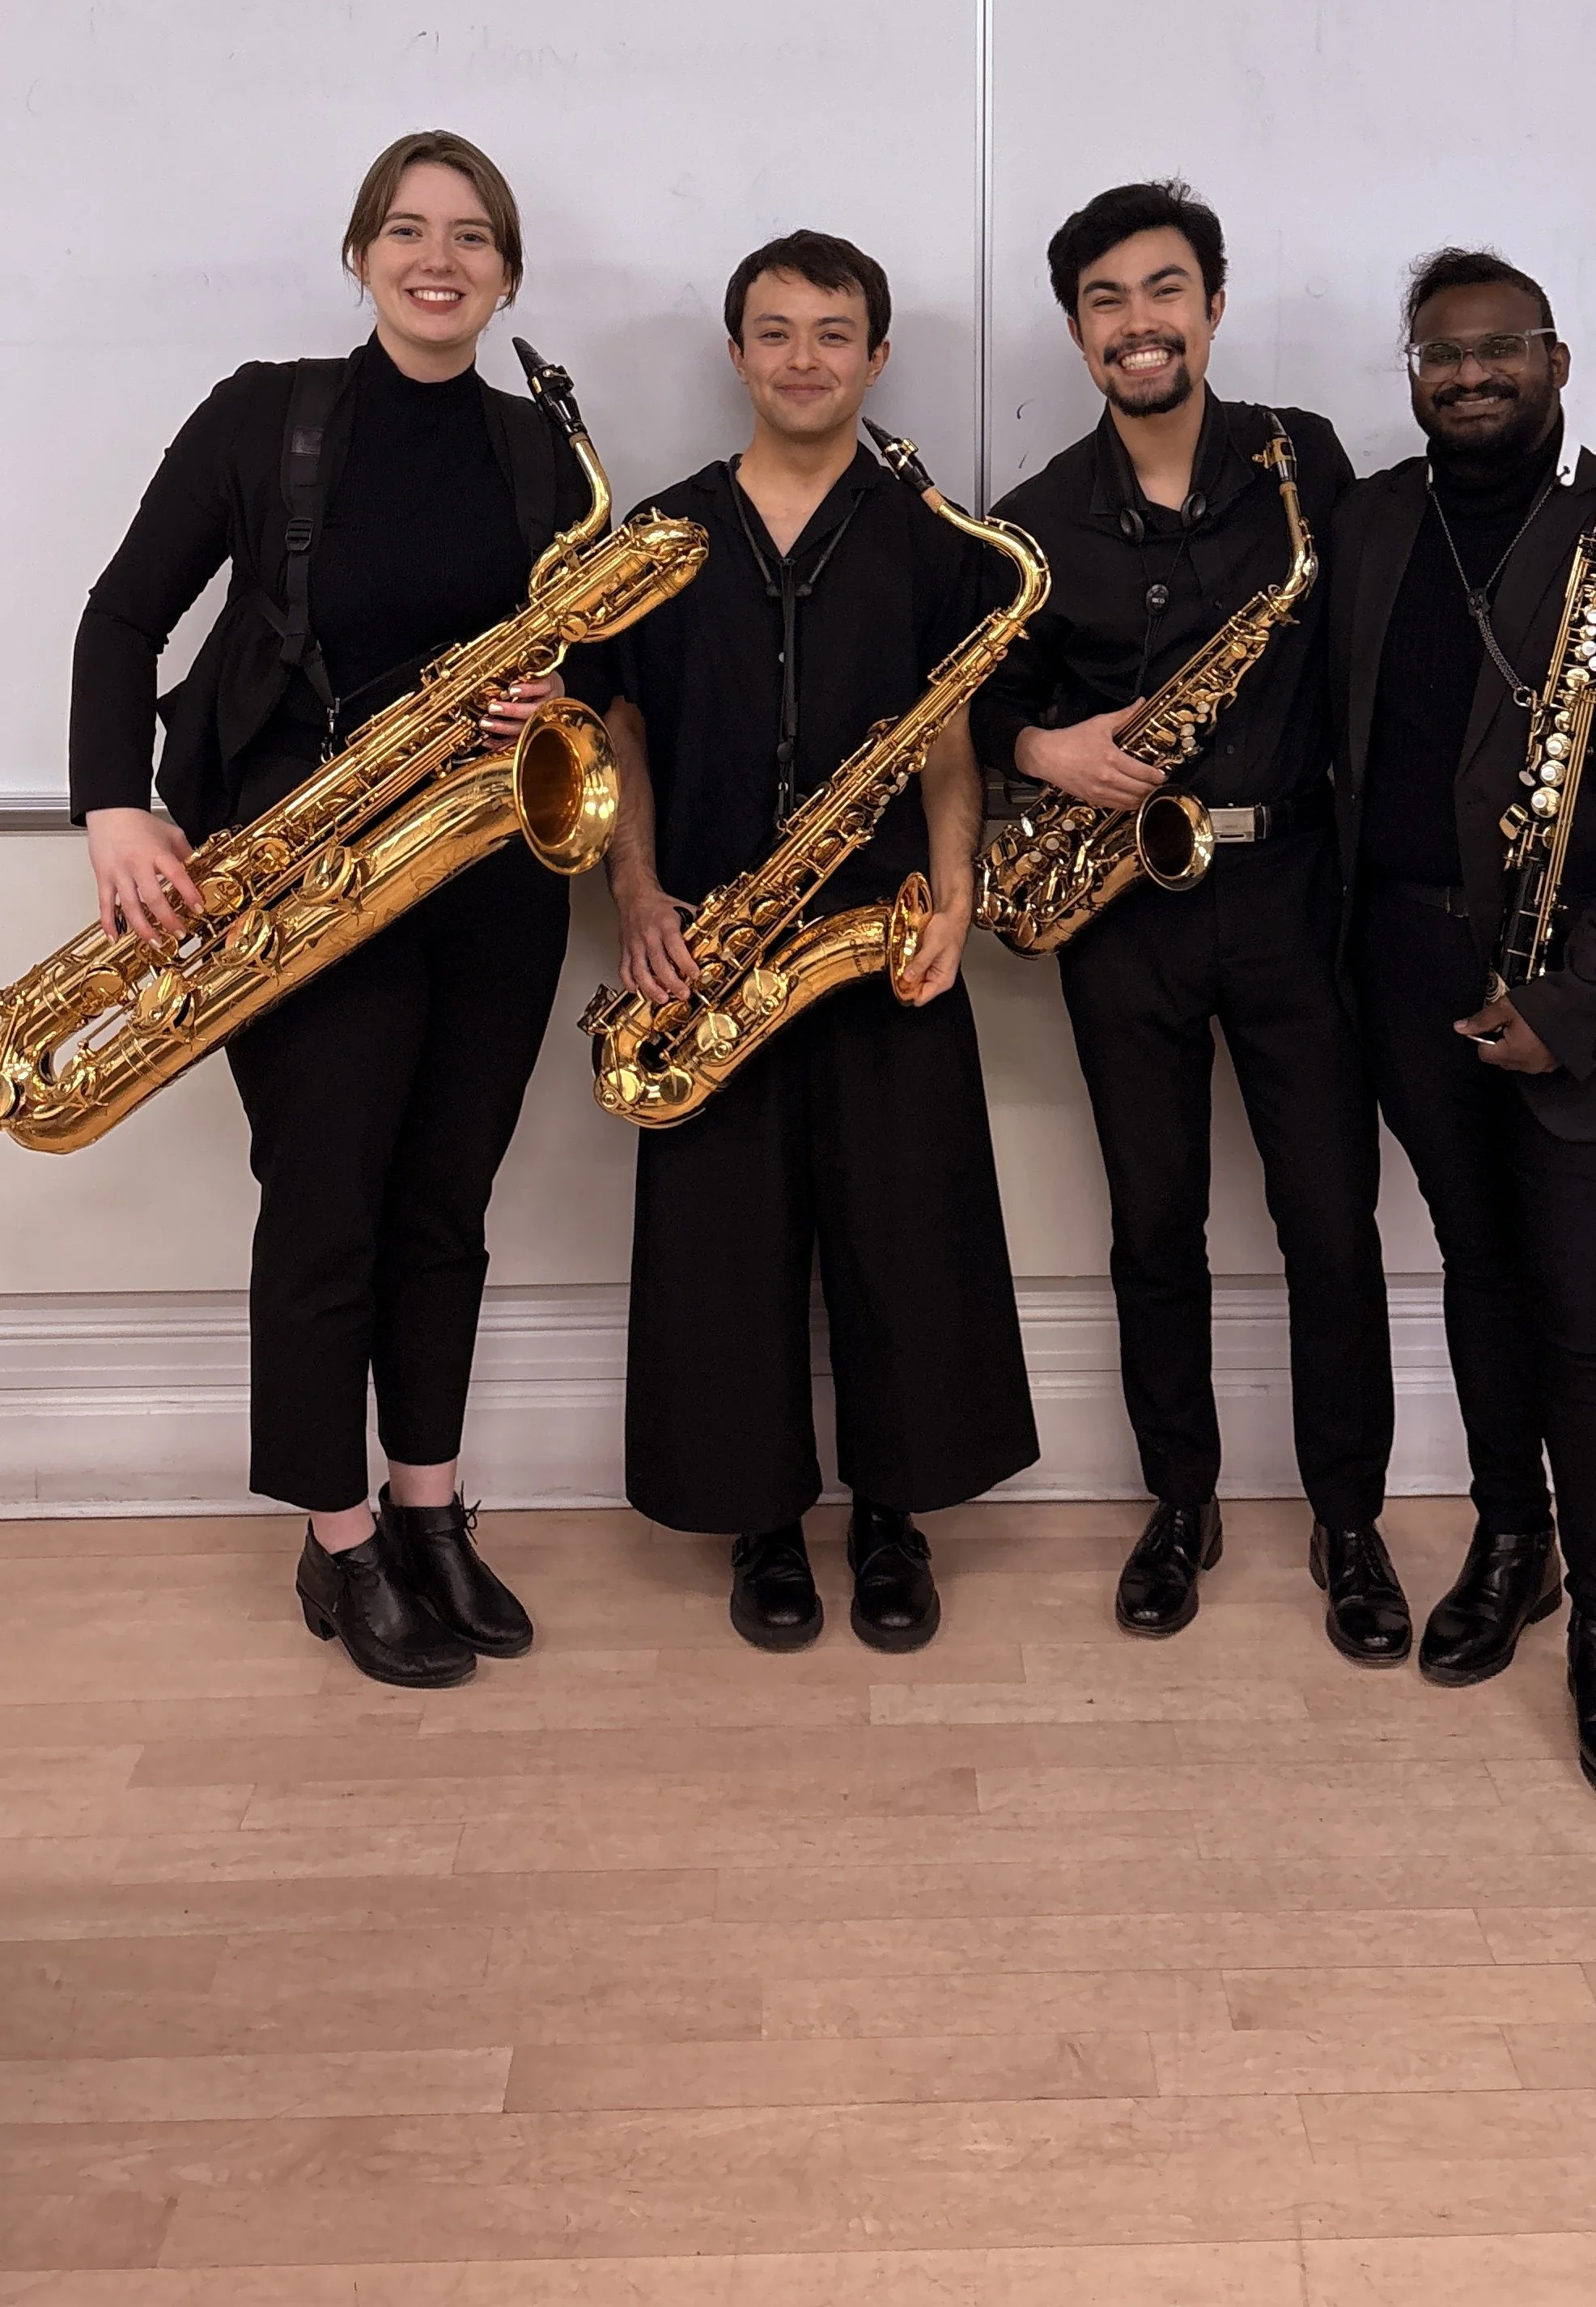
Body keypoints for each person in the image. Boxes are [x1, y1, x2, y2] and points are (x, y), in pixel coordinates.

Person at [68, 132, 604, 1689]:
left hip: (488, 885)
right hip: (302, 888)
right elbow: (121, 615)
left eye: (474, 238)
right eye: (408, 231)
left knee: (445, 1207)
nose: (440, 261)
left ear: (508, 272)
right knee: (326, 1211)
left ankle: (430, 1507)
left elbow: (592, 668)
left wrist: (557, 692)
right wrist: (115, 804)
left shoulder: (546, 457)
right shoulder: (268, 417)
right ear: (361, 253)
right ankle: (338, 1538)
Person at [1331, 246, 1596, 1809]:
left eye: (1504, 348)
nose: (1473, 373)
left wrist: (1568, 1005)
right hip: (1406, 972)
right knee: (1479, 1273)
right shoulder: (1374, 520)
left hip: (1592, 999)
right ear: (1414, 372)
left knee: (1582, 1305)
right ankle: (1517, 1543)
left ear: (1561, 363)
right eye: (1442, 353)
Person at [973, 181, 1400, 1656]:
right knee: (1152, 1225)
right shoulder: (1029, 526)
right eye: (1105, 300)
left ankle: (1351, 1521)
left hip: (1293, 896)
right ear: (1076, 330)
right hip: (1123, 909)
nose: (1138, 324)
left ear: (1213, 306)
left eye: (1164, 291)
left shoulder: (1310, 465)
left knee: (1328, 1222)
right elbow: (978, 712)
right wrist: (1045, 752)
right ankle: (1180, 1503)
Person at [602, 227, 1038, 1652]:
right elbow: (619, 731)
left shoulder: (933, 537)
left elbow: (953, 745)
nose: (803, 358)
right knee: (723, 1246)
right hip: (710, 948)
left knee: (908, 1231)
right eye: (775, 332)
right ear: (736, 355)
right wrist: (639, 892)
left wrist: (960, 890)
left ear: (878, 355)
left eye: (833, 332)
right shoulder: (660, 537)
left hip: (883, 928)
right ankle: (764, 1523)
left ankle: (895, 1518)